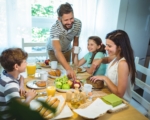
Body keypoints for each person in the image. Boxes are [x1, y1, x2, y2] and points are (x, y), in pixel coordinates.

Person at [90, 30, 136, 102]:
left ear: (120, 47)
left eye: (109, 46)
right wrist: (100, 60)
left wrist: (105, 78)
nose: (105, 48)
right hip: (111, 94)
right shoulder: (117, 56)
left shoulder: (123, 64)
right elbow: (107, 59)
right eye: (106, 45)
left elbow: (120, 94)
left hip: (120, 101)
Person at [46, 2, 82, 80]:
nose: (69, 22)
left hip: (67, 49)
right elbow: (57, 51)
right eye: (66, 20)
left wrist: (74, 64)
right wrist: (68, 68)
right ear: (59, 19)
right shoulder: (54, 28)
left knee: (68, 73)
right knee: (55, 74)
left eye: (71, 18)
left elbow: (75, 42)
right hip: (53, 51)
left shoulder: (78, 23)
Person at [0, 48, 37, 119]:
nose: (27, 63)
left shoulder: (6, 73)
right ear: (16, 66)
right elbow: (19, 112)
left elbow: (21, 77)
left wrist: (21, 85)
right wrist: (29, 97)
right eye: (25, 62)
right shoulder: (10, 85)